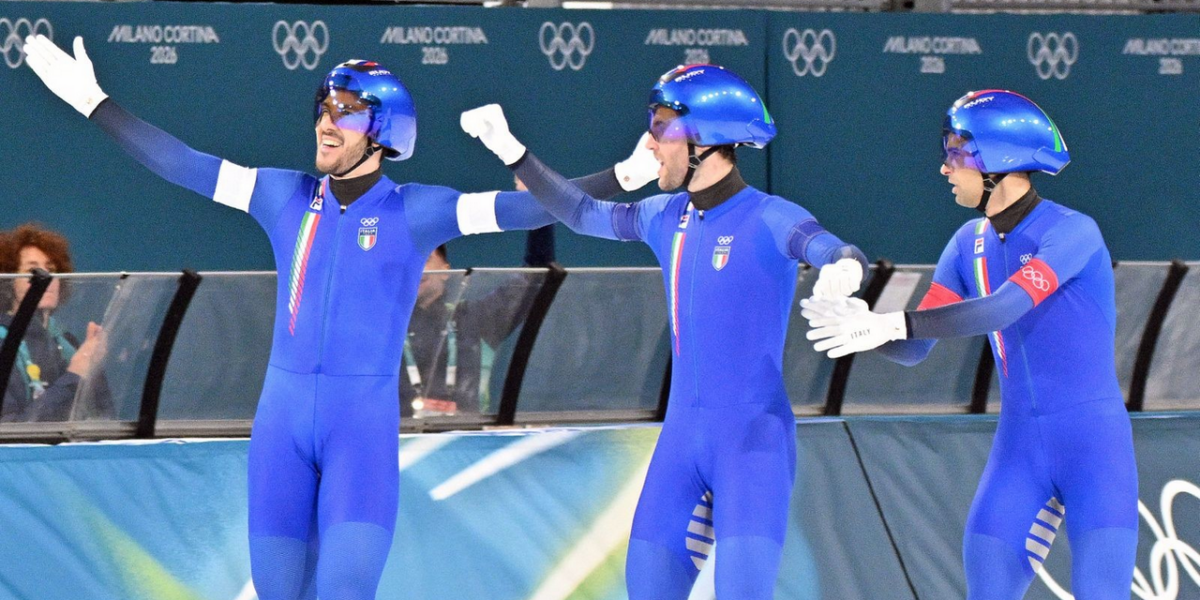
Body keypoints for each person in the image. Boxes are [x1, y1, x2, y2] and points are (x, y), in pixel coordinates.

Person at [22, 35, 657, 600]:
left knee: (345, 589)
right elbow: (183, 163)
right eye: (323, 108)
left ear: (383, 133)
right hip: (281, 427)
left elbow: (527, 211)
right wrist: (95, 104)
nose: (326, 122)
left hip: (361, 433)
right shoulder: (281, 194)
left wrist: (622, 177)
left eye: (346, 112)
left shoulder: (417, 211)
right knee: (279, 591)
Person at [461, 64, 869, 599]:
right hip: (680, 442)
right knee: (647, 588)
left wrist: (846, 268)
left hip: (753, 449)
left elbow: (828, 247)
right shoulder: (663, 215)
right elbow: (582, 212)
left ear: (707, 139)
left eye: (661, 126)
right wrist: (511, 150)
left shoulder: (770, 217)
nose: (650, 142)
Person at [803, 90, 1137, 600]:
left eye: (956, 153)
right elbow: (915, 347)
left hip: (1094, 446)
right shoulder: (966, 243)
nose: (944, 168)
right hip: (1019, 449)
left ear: (999, 161)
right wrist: (860, 325)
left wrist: (891, 324)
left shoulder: (1072, 232)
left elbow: (1002, 309)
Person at [404, 234, 549, 418]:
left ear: (445, 271)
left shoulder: (474, 317)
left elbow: (535, 272)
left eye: (425, 259)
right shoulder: (383, 329)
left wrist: (543, 219)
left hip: (468, 431)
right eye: (405, 264)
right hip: (401, 433)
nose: (415, 269)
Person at [0, 223, 108, 422]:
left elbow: (103, 418)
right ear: (9, 281)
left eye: (51, 270)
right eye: (33, 271)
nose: (47, 278)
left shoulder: (66, 341)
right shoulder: (3, 343)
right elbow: (10, 428)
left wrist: (94, 371)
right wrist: (75, 375)